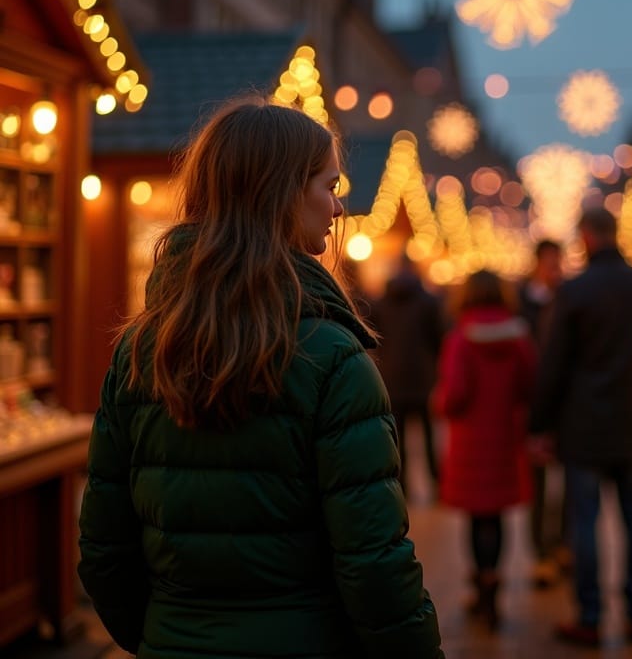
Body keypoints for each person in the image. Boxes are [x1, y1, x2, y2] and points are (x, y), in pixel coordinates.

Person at [77, 98, 444, 659]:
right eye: (329, 185)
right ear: (281, 193)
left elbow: (105, 551)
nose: (339, 207)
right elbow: (374, 564)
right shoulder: (333, 359)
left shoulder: (139, 351)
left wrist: (166, 635)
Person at [529, 206, 632, 647]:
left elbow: (553, 364)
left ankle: (589, 616)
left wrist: (540, 425)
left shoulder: (574, 291)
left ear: (587, 238)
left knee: (585, 523)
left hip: (584, 427)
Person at [432, 269, 535, 631]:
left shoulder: (460, 338)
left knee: (477, 518)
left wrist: (440, 402)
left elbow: (455, 394)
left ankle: (481, 591)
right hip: (505, 435)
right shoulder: (519, 335)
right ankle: (495, 590)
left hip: (471, 440)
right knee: (499, 516)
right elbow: (528, 385)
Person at [370, 253, 446, 496]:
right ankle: (436, 485)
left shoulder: (381, 301)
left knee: (397, 438)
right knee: (429, 437)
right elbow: (438, 339)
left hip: (392, 377)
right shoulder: (429, 302)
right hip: (423, 378)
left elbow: (374, 338)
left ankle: (402, 488)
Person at [517, 238, 569, 587]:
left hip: (566, 405)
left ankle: (563, 544)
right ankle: (540, 553)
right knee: (536, 484)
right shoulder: (521, 301)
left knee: (567, 482)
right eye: (550, 262)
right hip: (532, 402)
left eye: (558, 262)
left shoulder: (569, 298)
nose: (555, 269)